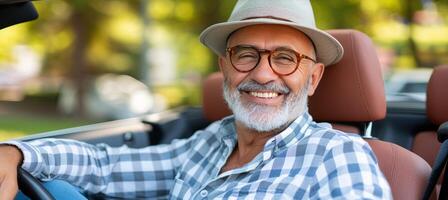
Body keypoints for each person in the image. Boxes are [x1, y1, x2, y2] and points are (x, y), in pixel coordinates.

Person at [0, 0, 392, 199]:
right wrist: (16, 153)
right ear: (225, 67)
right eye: (246, 54)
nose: (262, 73)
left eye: (285, 59)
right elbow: (106, 165)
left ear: (313, 77)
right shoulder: (210, 141)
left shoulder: (340, 156)